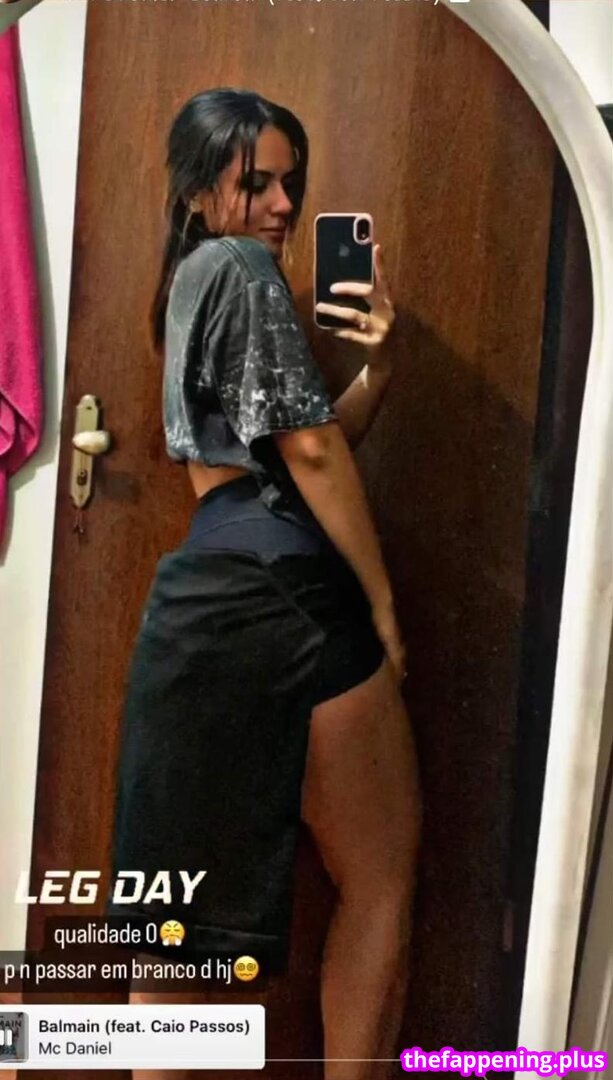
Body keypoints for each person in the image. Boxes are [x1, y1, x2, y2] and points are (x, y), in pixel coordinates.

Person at [108, 88, 422, 1080]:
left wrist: (377, 370)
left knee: (170, 923)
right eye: (257, 183)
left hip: (200, 596)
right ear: (200, 191)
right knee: (378, 878)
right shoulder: (243, 268)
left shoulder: (186, 285)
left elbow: (292, 451)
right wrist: (379, 605)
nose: (283, 204)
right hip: (290, 593)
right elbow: (312, 458)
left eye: (292, 182)